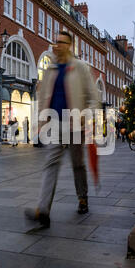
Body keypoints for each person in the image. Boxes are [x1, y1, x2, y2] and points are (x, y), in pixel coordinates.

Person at [25, 31, 99, 228]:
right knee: (51, 164)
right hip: (56, 124)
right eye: (55, 42)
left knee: (77, 164)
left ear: (70, 45)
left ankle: (82, 198)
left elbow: (94, 97)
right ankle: (43, 210)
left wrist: (86, 114)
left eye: (61, 42)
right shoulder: (51, 69)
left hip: (76, 124)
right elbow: (43, 96)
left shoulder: (80, 68)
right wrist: (41, 119)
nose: (56, 45)